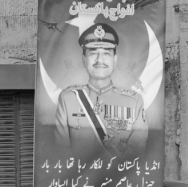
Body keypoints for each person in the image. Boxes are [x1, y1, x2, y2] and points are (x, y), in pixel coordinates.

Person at [54, 23, 148, 157]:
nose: (99, 60)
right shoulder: (67, 99)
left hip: (119, 171)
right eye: (93, 53)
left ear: (115, 60)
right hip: (78, 170)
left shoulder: (134, 101)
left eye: (106, 53)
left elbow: (136, 153)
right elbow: (61, 152)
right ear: (83, 59)